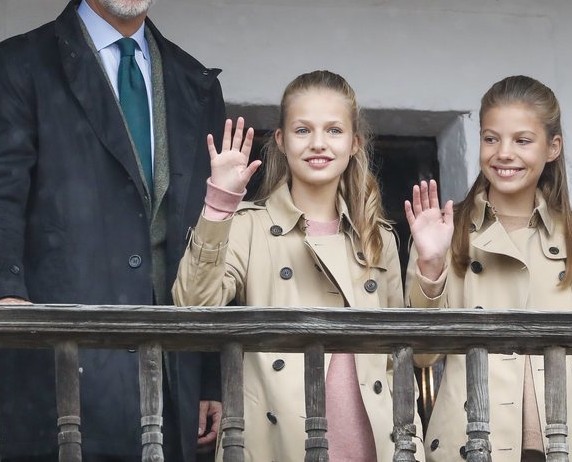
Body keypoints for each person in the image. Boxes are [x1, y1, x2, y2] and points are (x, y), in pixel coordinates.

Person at [0, 0, 225, 461]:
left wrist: (210, 377)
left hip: (171, 379)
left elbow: (211, 234)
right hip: (58, 370)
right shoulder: (17, 67)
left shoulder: (196, 85)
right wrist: (1, 301)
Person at [173, 70, 425, 461]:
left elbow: (404, 356)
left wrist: (432, 265)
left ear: (355, 143)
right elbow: (192, 307)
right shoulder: (248, 226)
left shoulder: (378, 237)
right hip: (277, 444)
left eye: (334, 131)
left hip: (374, 442)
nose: (318, 144)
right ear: (281, 140)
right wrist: (220, 204)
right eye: (303, 130)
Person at [405, 75, 572, 462]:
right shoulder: (446, 229)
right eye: (491, 139)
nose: (503, 153)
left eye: (522, 140)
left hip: (570, 441)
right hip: (472, 440)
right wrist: (430, 262)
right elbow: (422, 357)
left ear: (552, 147)